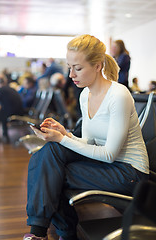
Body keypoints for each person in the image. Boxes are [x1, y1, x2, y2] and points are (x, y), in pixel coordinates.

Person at [23, 34, 149, 240]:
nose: (71, 74)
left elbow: (108, 154)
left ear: (98, 66)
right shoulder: (85, 95)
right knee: (50, 160)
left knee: (51, 174)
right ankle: (42, 232)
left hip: (130, 172)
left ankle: (55, 233)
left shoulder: (119, 95)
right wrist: (65, 134)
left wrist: (62, 139)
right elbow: (90, 143)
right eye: (69, 67)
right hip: (107, 165)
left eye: (78, 68)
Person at [0, 77, 24, 143]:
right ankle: (4, 134)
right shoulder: (9, 88)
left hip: (12, 113)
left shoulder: (1, 90)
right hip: (17, 111)